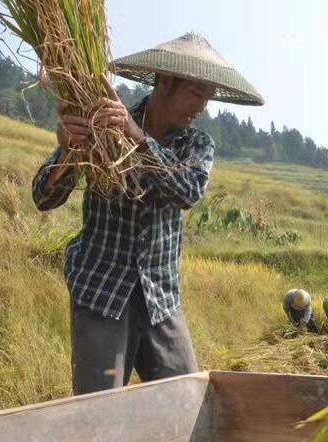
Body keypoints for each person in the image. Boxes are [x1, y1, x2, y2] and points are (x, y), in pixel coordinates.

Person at [31, 32, 264, 395]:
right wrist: (66, 153)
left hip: (160, 298)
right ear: (165, 82)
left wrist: (137, 137)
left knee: (187, 400)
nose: (202, 106)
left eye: (207, 97)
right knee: (99, 410)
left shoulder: (197, 143)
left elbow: (187, 191)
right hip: (102, 292)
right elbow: (43, 198)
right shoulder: (101, 125)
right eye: (196, 94)